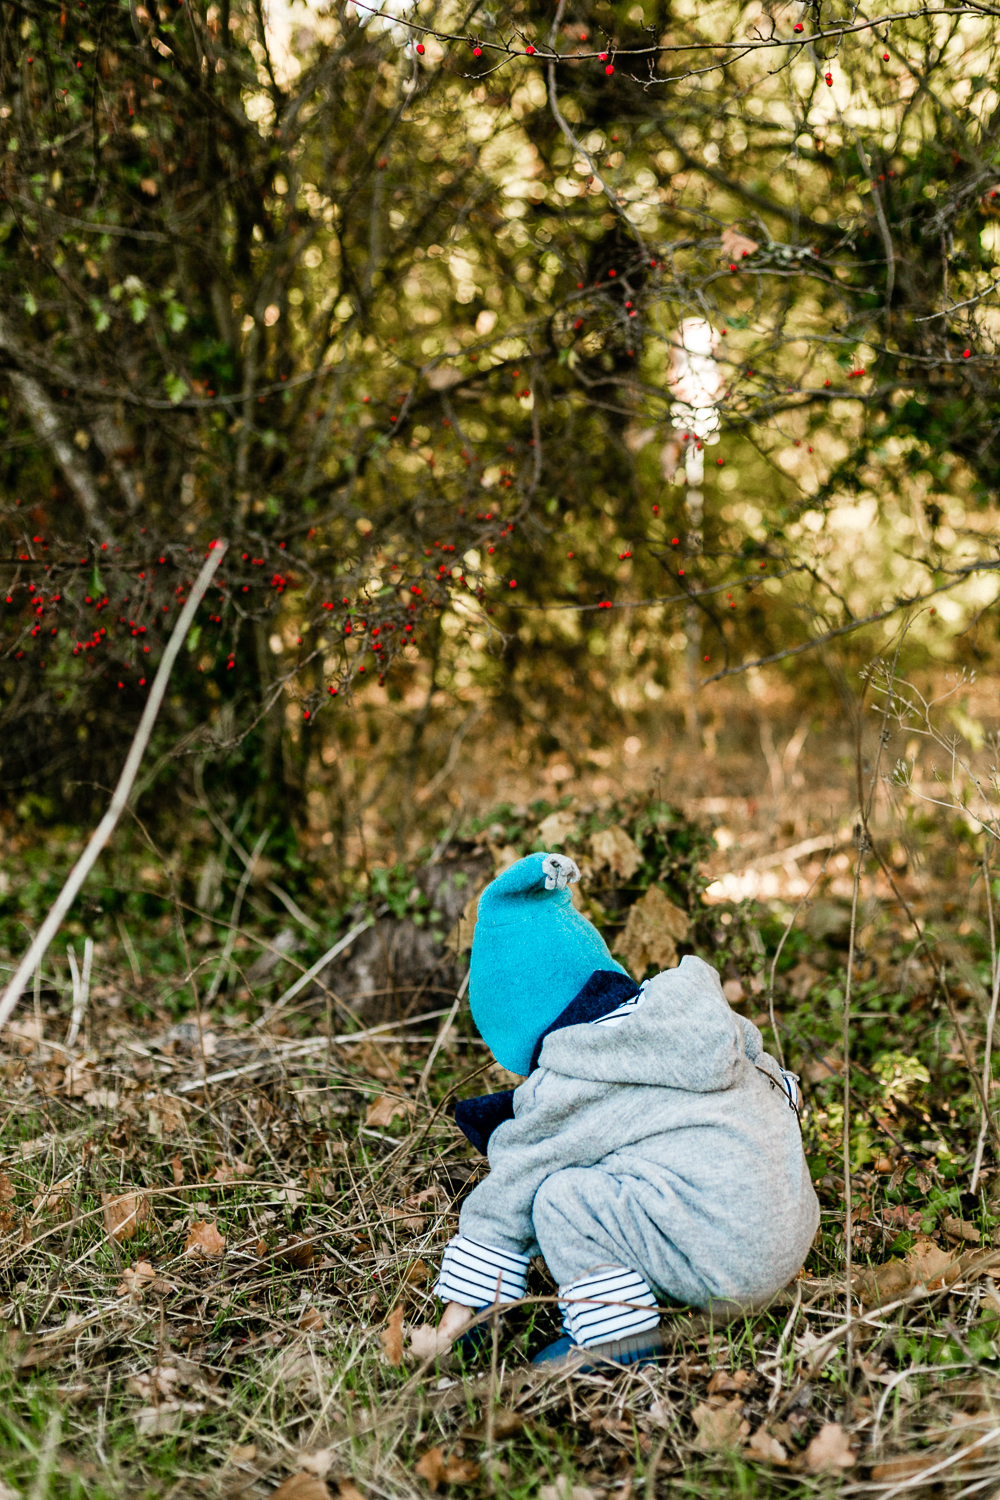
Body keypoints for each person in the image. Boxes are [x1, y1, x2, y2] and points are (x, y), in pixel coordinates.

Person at [433, 851, 819, 1368]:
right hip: (790, 1230)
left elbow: (511, 1194)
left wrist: (456, 1322)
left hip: (731, 1264)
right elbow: (777, 1083)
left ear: (518, 1025)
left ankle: (616, 1338)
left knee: (559, 1196)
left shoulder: (572, 1077)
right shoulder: (687, 1016)